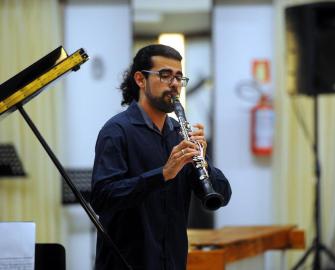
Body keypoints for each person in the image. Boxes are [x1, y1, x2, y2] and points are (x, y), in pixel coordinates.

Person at [90, 44, 232, 270]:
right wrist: (163, 174)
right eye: (165, 75)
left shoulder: (179, 133)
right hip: (127, 262)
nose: (174, 84)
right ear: (140, 79)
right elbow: (102, 198)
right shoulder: (116, 131)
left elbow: (223, 195)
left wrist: (203, 161)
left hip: (173, 261)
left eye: (179, 77)